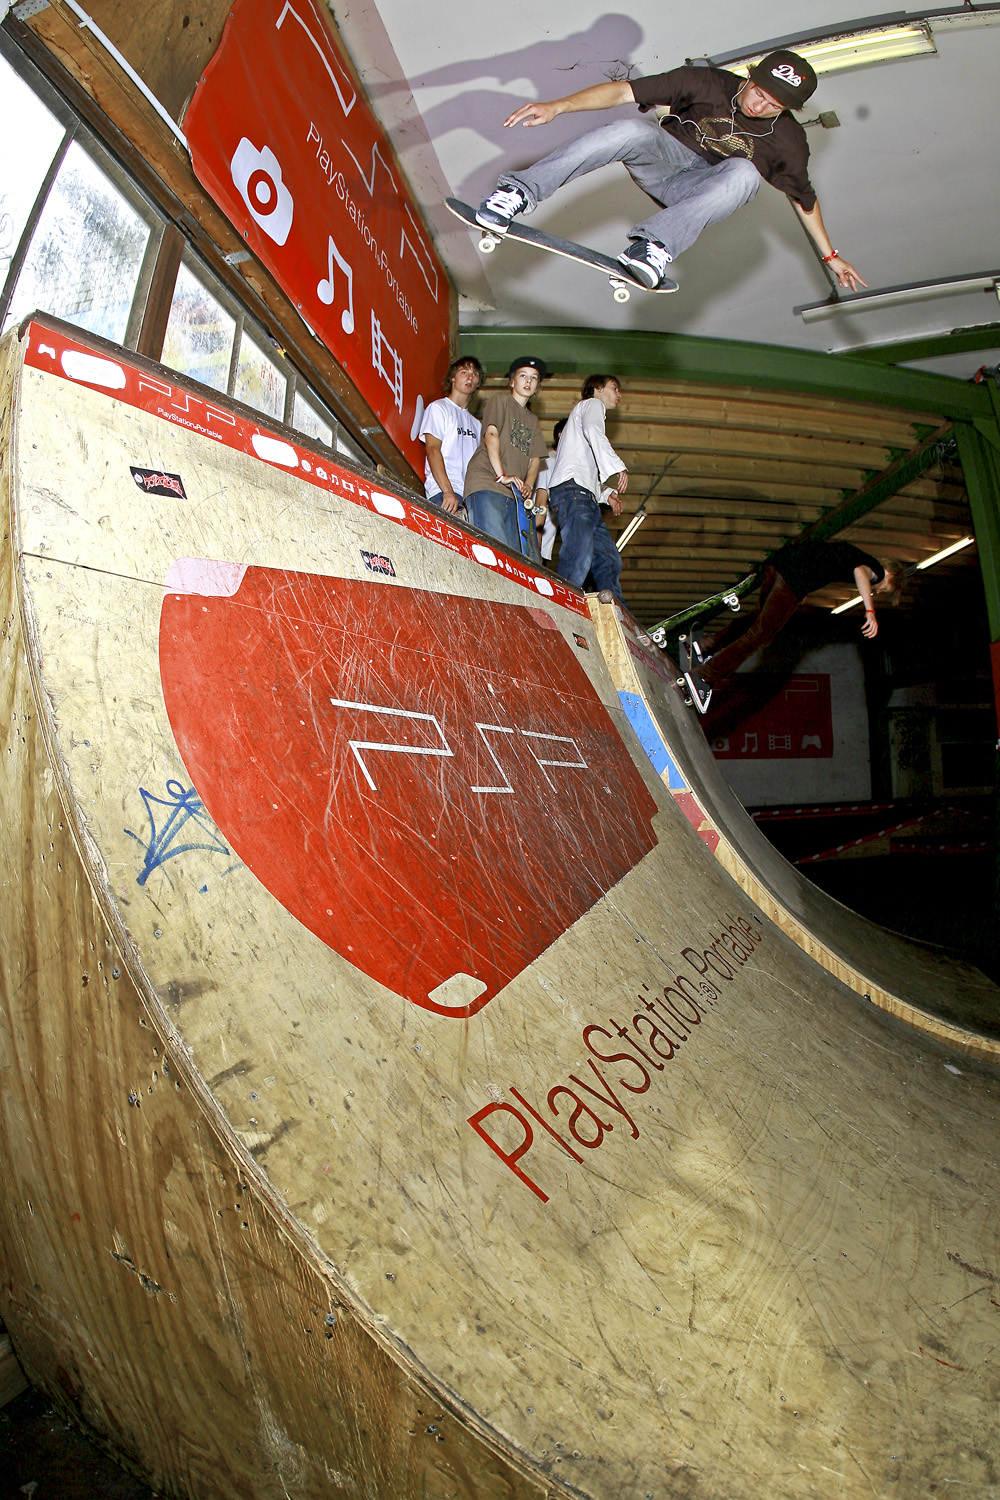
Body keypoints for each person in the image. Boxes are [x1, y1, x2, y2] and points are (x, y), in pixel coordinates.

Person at [476, 50, 864, 293]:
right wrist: (558, 106)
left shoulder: (790, 142)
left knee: (745, 175)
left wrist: (831, 257)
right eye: (760, 94)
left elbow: (804, 200)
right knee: (630, 128)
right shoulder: (704, 81)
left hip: (699, 190)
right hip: (662, 159)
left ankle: (654, 248)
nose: (761, 107)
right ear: (750, 78)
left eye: (775, 106)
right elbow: (622, 92)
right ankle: (517, 194)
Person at [696, 541, 902, 692]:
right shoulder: (876, 569)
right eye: (885, 590)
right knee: (760, 636)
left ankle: (709, 643)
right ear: (891, 576)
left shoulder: (859, 555)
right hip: (793, 579)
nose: (878, 591)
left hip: (778, 565)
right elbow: (860, 573)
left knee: (758, 621)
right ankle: (704, 676)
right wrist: (870, 611)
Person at [547, 375, 628, 604]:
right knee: (579, 555)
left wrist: (605, 494)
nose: (619, 394)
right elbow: (594, 431)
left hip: (584, 494)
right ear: (598, 388)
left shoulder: (579, 421)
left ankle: (615, 612)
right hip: (574, 493)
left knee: (609, 558)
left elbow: (584, 465)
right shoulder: (592, 404)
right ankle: (561, 605)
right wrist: (617, 467)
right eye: (615, 387)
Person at [463, 355, 549, 554]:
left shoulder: (533, 420)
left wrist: (528, 485)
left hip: (514, 495)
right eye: (523, 375)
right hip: (487, 482)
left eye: (534, 378)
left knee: (516, 557)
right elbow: (491, 435)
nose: (528, 381)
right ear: (512, 381)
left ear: (537, 386)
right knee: (494, 551)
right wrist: (502, 475)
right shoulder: (500, 401)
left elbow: (534, 459)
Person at [418, 356, 484, 515]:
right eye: (464, 372)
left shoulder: (477, 424)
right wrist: (447, 491)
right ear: (452, 377)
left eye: (475, 374)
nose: (470, 377)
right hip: (444, 493)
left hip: (469, 498)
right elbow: (433, 450)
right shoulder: (438, 408)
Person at [533, 417, 567, 564]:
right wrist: (536, 547)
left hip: (543, 546)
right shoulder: (549, 461)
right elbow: (540, 502)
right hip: (535, 545)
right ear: (561, 434)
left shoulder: (561, 465)